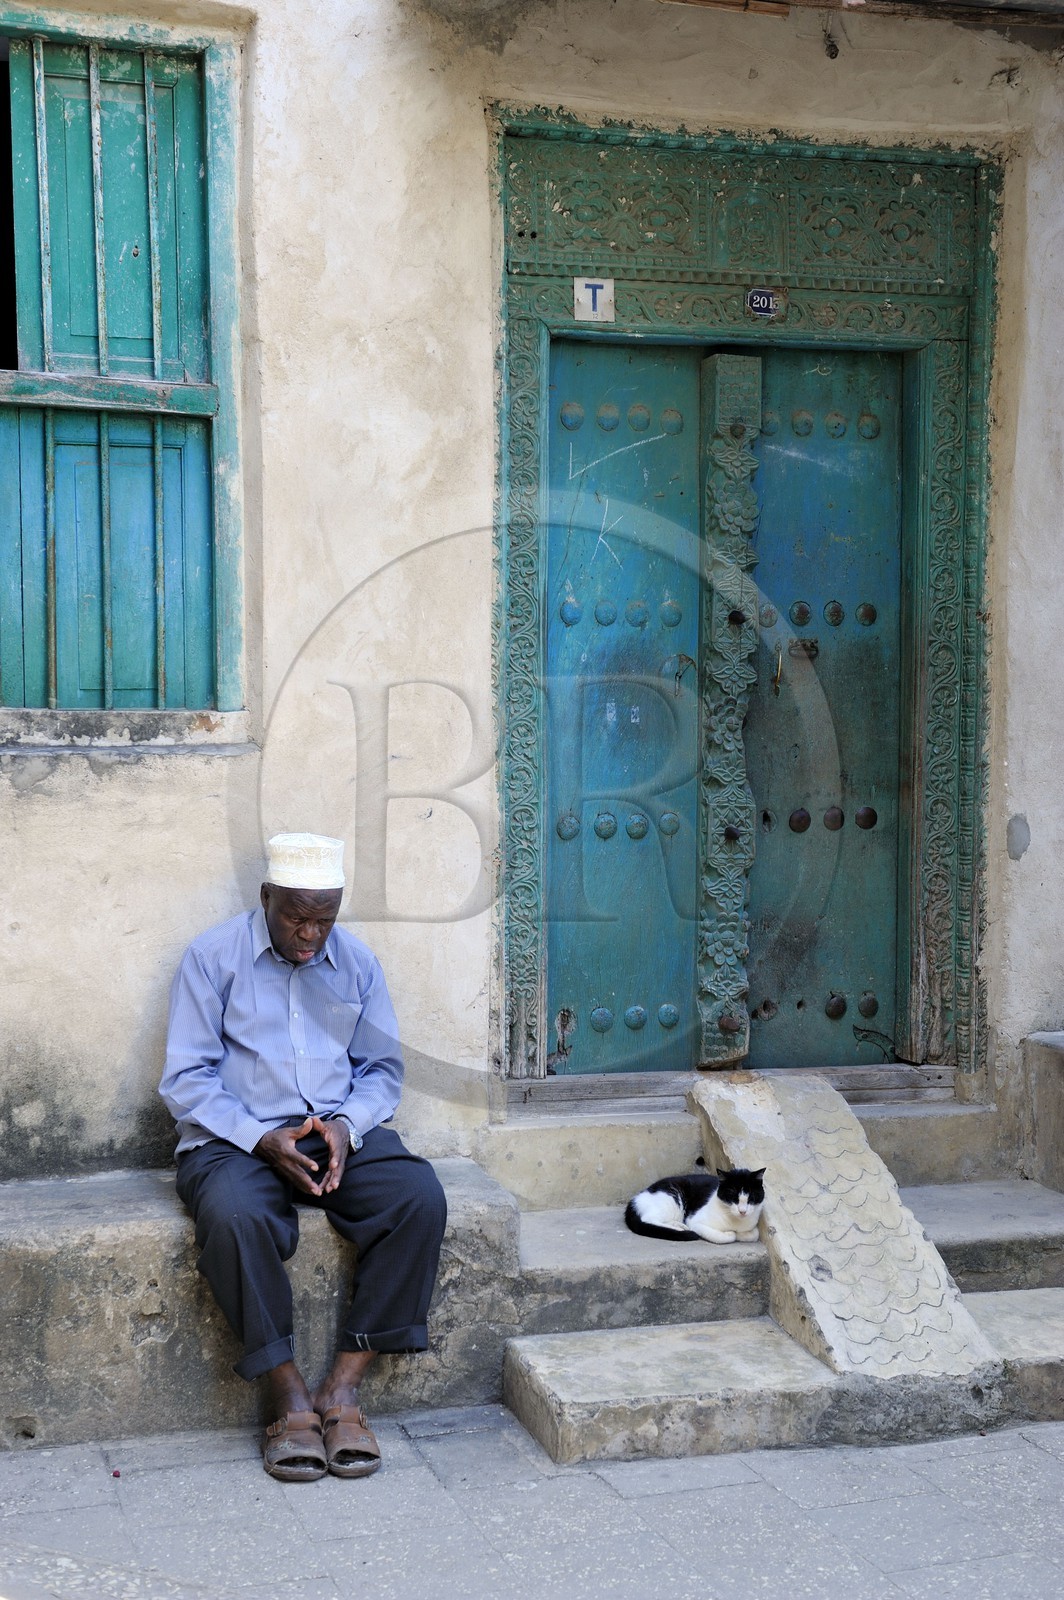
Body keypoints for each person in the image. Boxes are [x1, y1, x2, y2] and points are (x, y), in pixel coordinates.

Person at [160, 832, 447, 1482]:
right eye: (296, 916)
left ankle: (342, 1390)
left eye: (325, 917)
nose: (311, 933)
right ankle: (287, 1393)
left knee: (418, 1198)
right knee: (235, 1216)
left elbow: (381, 1071)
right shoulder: (212, 959)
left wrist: (348, 1125)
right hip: (237, 1138)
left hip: (329, 1134)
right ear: (266, 897)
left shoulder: (357, 964)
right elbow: (186, 1079)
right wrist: (260, 1138)